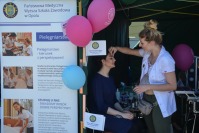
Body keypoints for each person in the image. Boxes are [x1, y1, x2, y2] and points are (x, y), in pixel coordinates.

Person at [109, 28, 177, 133]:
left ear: (152, 42)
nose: (140, 45)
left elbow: (173, 86)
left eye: (142, 43)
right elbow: (130, 51)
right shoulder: (147, 53)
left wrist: (148, 86)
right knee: (151, 130)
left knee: (161, 130)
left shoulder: (166, 59)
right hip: (146, 100)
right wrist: (117, 48)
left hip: (159, 102)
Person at [88, 52, 140, 133]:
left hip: (112, 113)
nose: (115, 60)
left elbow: (114, 100)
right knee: (131, 127)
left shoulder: (110, 78)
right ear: (103, 61)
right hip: (100, 117)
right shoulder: (97, 80)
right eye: (111, 58)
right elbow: (101, 106)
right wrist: (121, 115)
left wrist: (123, 111)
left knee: (137, 122)